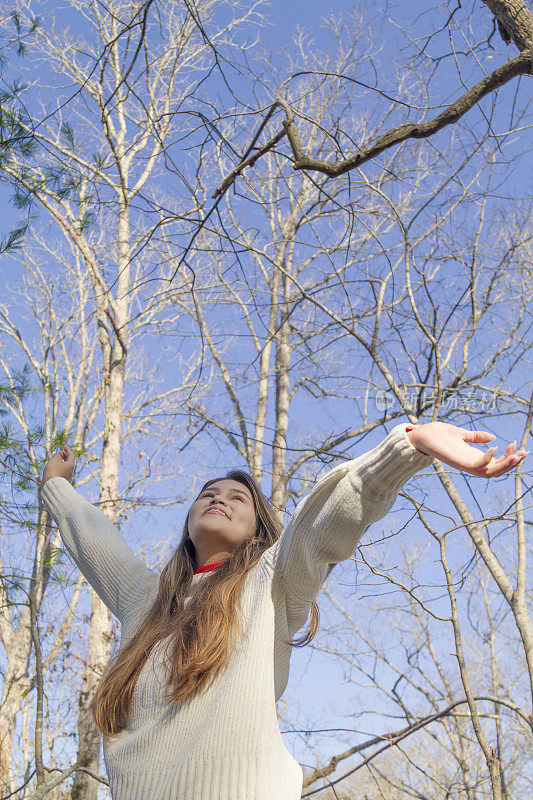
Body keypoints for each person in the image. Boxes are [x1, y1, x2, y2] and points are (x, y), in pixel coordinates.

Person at [38, 421, 528, 800]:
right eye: (208, 494)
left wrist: (411, 444)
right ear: (189, 520)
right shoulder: (145, 601)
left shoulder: (270, 581)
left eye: (237, 497)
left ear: (258, 530)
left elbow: (323, 522)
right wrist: (56, 486)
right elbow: (94, 538)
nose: (218, 499)